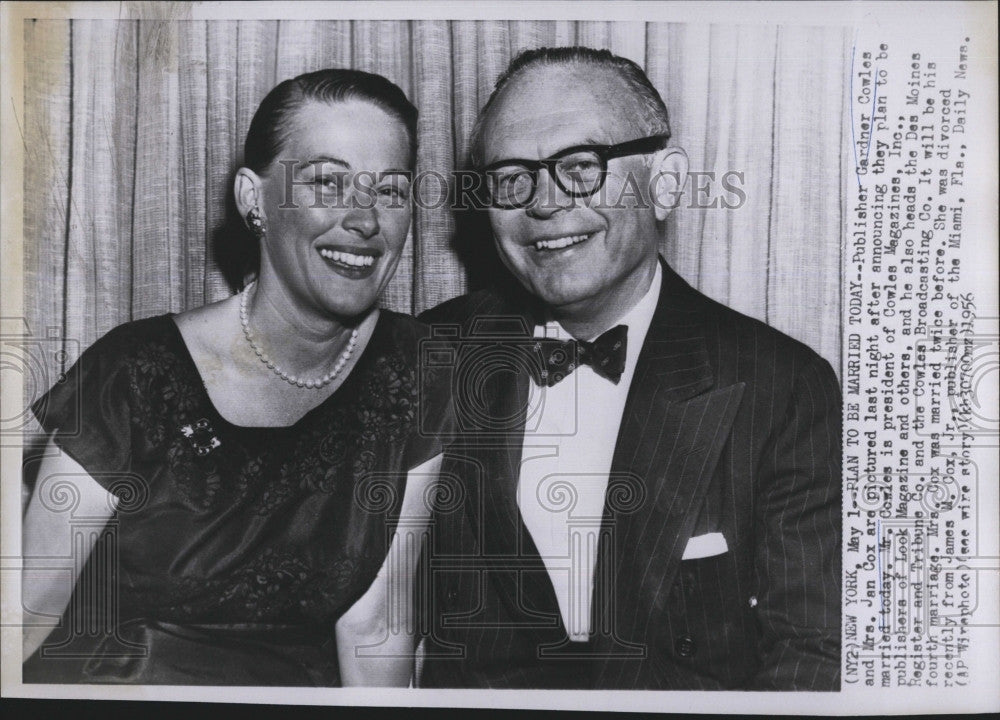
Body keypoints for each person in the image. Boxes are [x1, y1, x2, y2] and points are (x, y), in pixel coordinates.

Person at [418, 47, 841, 690]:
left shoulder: (782, 385)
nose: (545, 204)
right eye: (511, 177)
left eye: (581, 167)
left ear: (665, 184)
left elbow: (812, 653)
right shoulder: (429, 353)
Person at [21, 68, 449, 686]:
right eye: (328, 182)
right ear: (254, 200)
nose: (364, 219)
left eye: (391, 190)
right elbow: (27, 612)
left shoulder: (416, 367)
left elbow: (375, 624)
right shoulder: (134, 372)